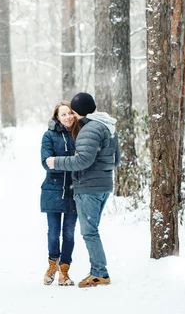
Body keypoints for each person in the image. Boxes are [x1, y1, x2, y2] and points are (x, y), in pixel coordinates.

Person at [46, 92, 120, 288]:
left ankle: (99, 273)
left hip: (89, 187)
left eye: (74, 111)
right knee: (92, 230)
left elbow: (82, 161)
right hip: (104, 185)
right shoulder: (109, 126)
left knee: (89, 232)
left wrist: (56, 162)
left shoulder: (89, 129)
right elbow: (116, 160)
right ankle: (99, 271)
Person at [40, 101, 79, 286]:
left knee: (69, 233)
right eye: (63, 114)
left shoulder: (80, 133)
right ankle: (52, 264)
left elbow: (85, 161)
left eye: (70, 113)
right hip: (53, 190)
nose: (68, 117)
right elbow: (46, 162)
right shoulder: (49, 136)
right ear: (57, 117)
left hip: (74, 190)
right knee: (53, 233)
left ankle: (64, 271)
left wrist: (59, 162)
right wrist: (72, 162)